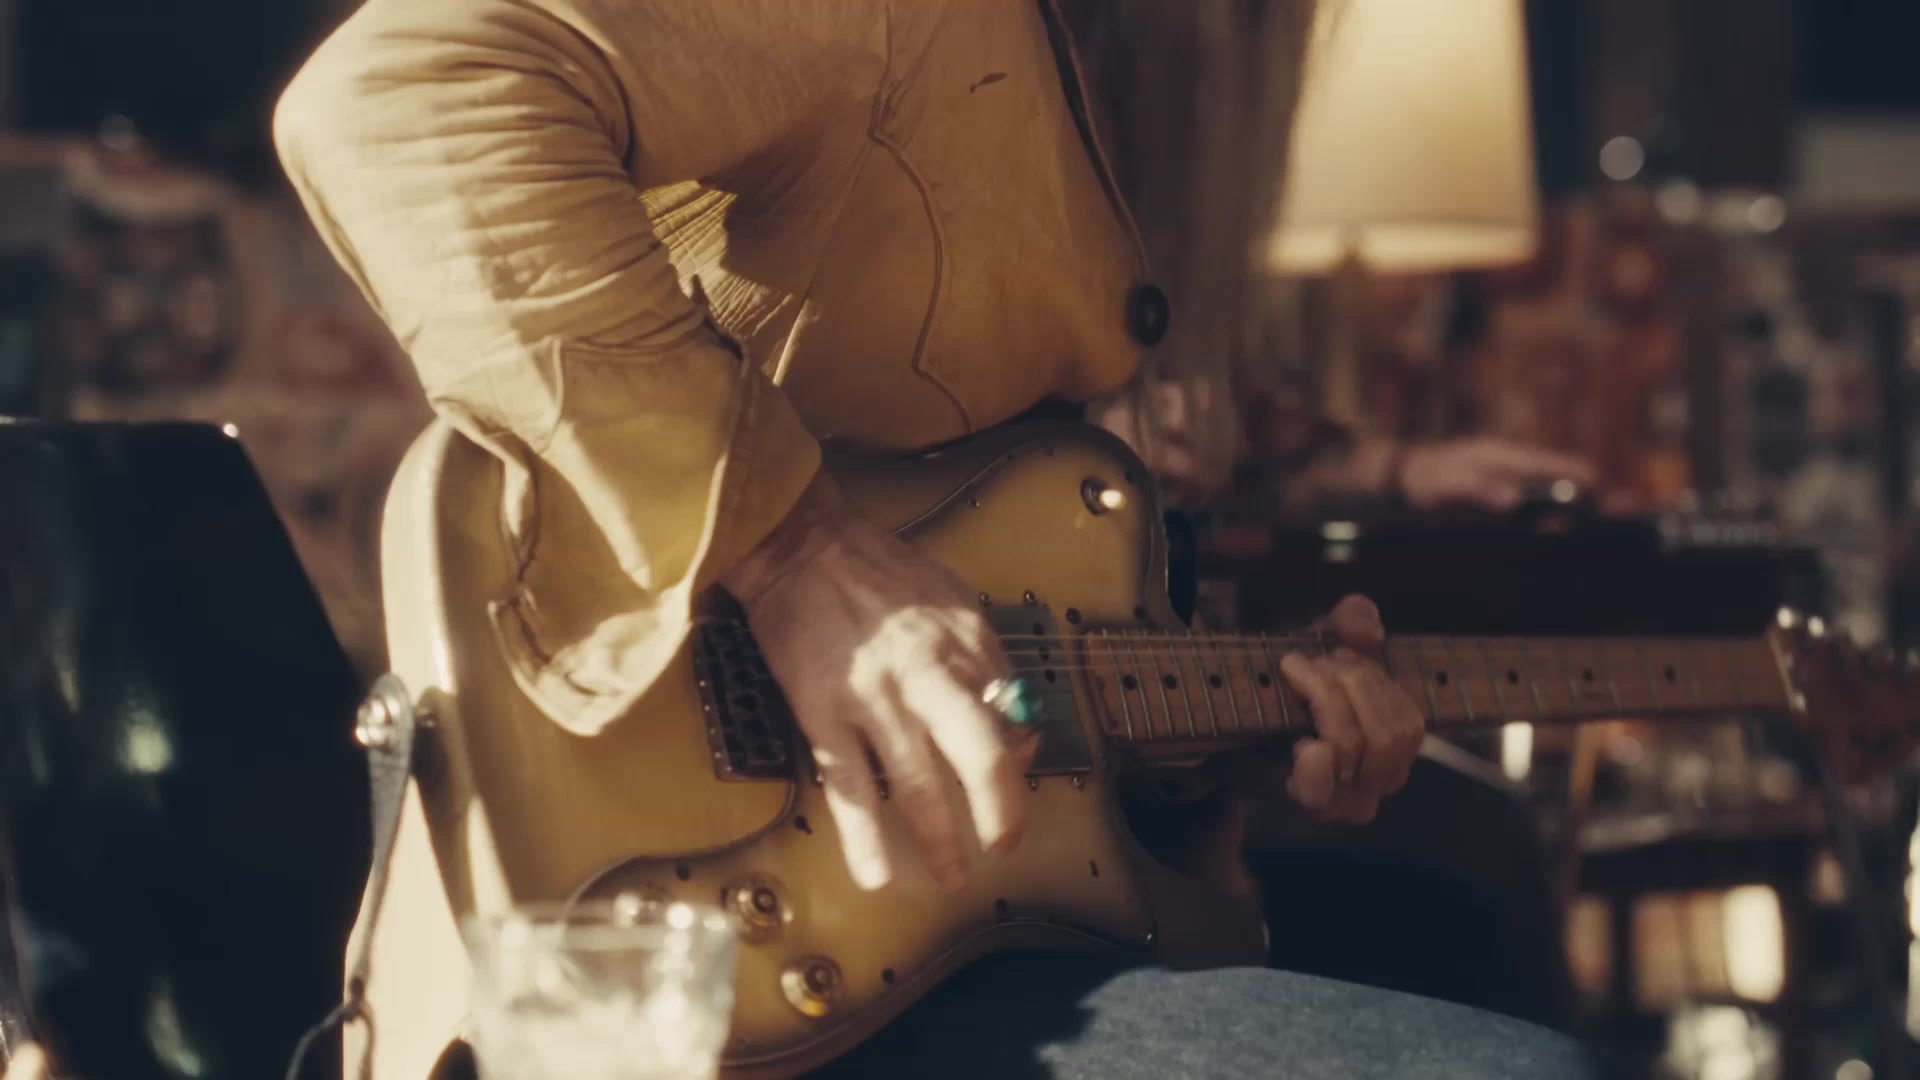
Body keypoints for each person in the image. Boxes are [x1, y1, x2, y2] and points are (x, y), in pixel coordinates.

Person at [260, 2, 1600, 1077]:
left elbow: (1012, 662)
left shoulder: (1094, 79)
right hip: (696, 930)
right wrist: (793, 553)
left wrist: (1221, 740)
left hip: (949, 904)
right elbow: (394, 99)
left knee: (1459, 921)